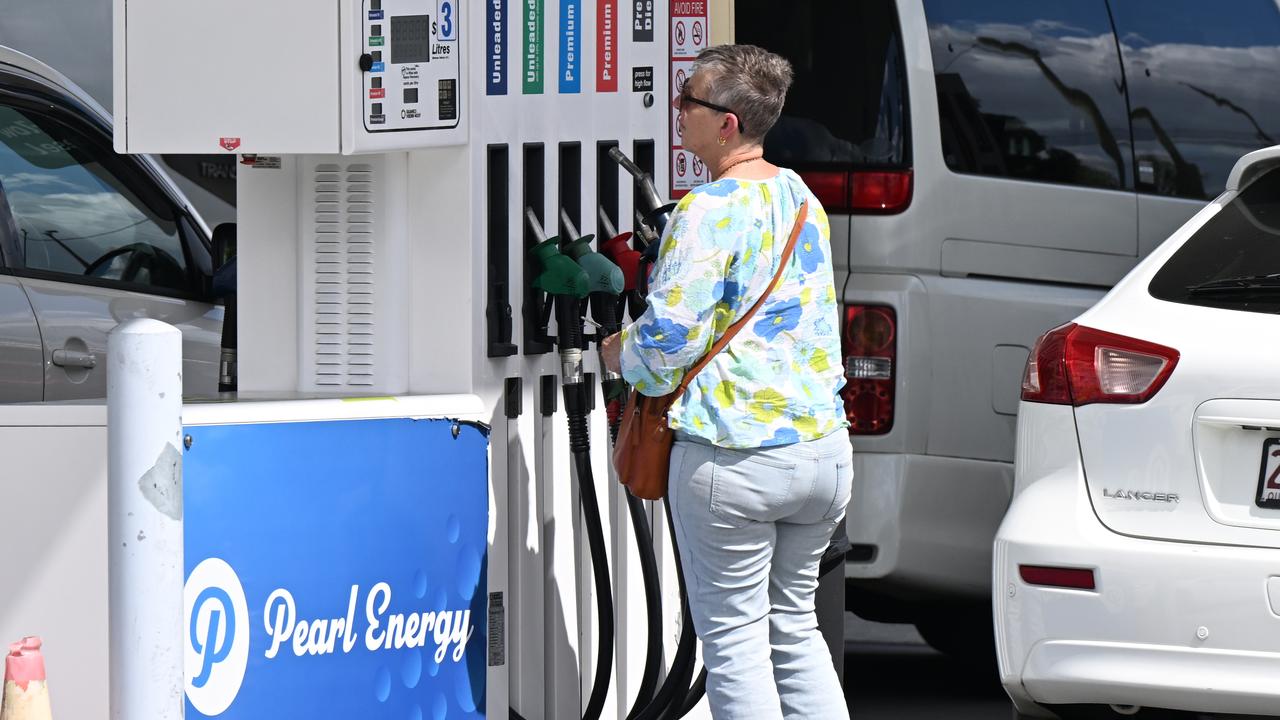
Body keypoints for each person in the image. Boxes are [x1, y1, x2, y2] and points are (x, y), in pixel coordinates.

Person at [601, 44, 852, 720]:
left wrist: (615, 355)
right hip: (821, 453)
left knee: (736, 644)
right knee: (795, 632)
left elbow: (668, 341)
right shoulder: (801, 198)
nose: (678, 112)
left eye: (689, 101)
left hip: (733, 456)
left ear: (727, 124)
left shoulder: (704, 211)